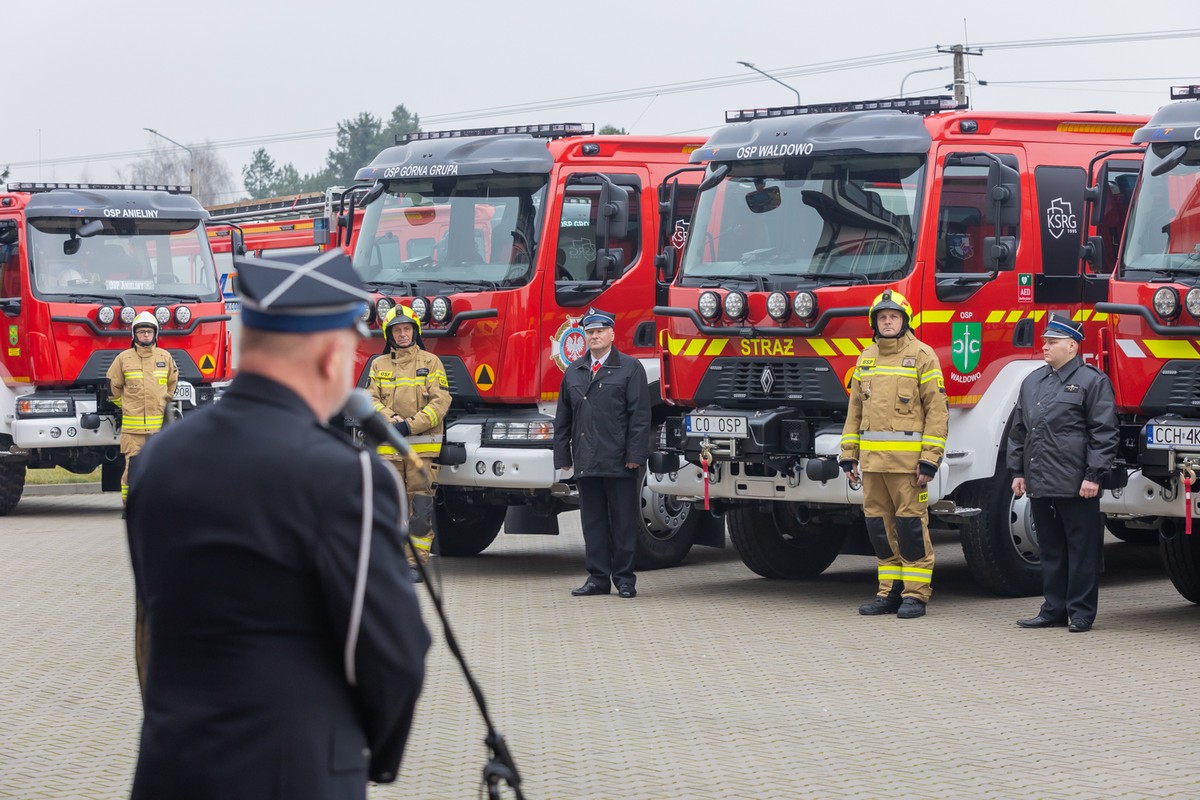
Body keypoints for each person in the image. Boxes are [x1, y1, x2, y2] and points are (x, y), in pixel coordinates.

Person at [125, 250, 430, 799]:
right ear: (328, 356)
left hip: (172, 768)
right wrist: (360, 755)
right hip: (298, 774)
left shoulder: (158, 461)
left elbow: (150, 631)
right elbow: (393, 654)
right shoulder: (348, 477)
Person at [840, 289, 948, 619]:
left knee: (911, 528)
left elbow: (937, 411)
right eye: (883, 318)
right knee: (878, 528)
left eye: (894, 317)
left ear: (905, 321)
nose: (888, 322)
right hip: (872, 465)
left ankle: (916, 595)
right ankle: (889, 591)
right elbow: (854, 411)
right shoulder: (866, 358)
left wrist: (930, 459)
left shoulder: (923, 355)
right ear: (875, 322)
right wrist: (848, 455)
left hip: (908, 467)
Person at [1009, 314, 1118, 633]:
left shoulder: (1092, 380)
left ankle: (1081, 612)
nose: (1045, 346)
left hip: (1076, 483)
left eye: (1052, 342)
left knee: (1081, 551)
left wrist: (1093, 476)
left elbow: (1104, 432)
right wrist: (1017, 471)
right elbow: (1019, 430)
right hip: (1040, 480)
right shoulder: (1032, 381)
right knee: (1051, 549)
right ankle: (1053, 608)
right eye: (1044, 341)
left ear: (1072, 346)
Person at [553, 307, 650, 599]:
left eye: (599, 331)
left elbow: (640, 417)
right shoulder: (574, 371)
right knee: (592, 522)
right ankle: (597, 578)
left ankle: (624, 579)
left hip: (620, 460)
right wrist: (563, 458)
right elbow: (563, 418)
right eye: (590, 332)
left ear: (612, 334)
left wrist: (635, 455)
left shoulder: (630, 368)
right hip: (586, 459)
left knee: (622, 522)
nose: (594, 337)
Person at [366, 304, 451, 582]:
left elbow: (441, 403)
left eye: (407, 329)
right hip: (389, 451)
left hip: (422, 450)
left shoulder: (431, 362)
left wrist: (409, 425)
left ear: (415, 331)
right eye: (397, 330)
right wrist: (393, 421)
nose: (403, 334)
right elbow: (371, 400)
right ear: (388, 335)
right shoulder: (378, 365)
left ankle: (416, 563)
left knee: (420, 509)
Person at [106, 311, 178, 508]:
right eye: (141, 331)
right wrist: (126, 406)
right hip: (133, 430)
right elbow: (112, 388)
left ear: (155, 334)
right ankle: (130, 505)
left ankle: (159, 504)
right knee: (133, 467)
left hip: (159, 430)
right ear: (134, 334)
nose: (146, 335)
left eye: (149, 331)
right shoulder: (123, 359)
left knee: (160, 467)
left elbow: (172, 384)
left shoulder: (165, 357)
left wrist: (163, 402)